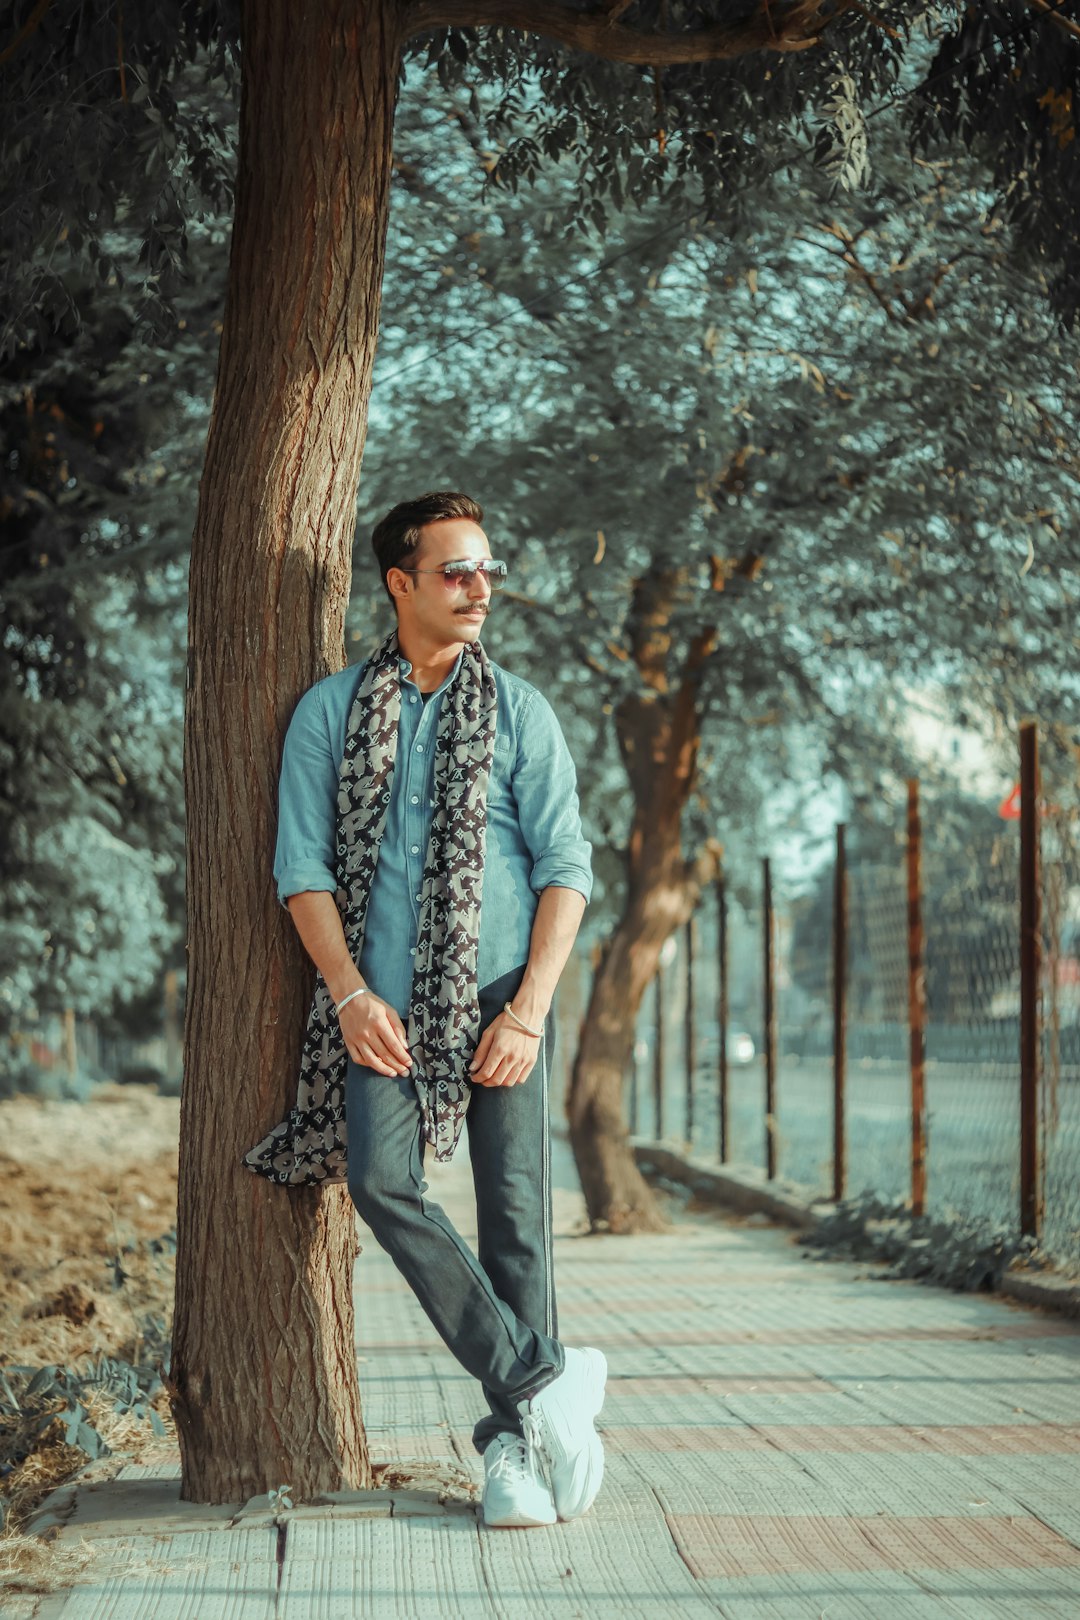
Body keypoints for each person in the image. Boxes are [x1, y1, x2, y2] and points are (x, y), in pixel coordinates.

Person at [243, 490, 605, 1529]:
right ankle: (544, 1381)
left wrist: (530, 1008)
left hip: (501, 997)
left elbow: (566, 869)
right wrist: (349, 993)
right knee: (382, 1180)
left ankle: (514, 1451)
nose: (479, 587)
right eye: (456, 571)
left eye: (488, 569)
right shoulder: (329, 712)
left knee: (516, 1225)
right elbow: (300, 867)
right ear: (399, 583)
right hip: (380, 1007)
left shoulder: (523, 712)